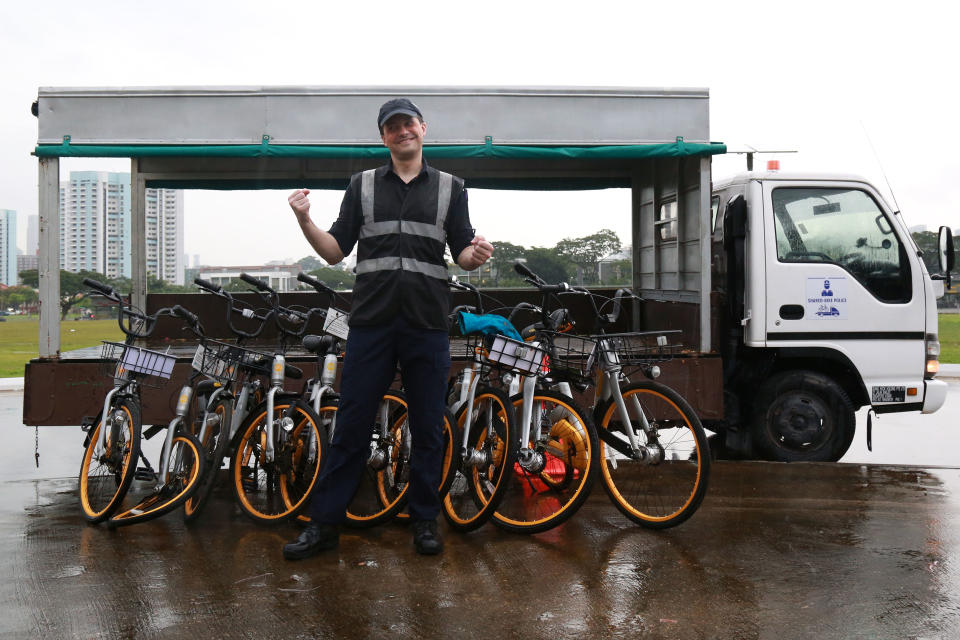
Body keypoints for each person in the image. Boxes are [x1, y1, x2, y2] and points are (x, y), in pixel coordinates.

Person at [282, 98, 493, 559]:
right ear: (383, 137)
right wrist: (304, 219)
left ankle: (424, 520)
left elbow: (461, 251)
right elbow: (335, 251)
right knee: (352, 424)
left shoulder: (451, 188)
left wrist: (473, 258)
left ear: (423, 128)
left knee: (428, 427)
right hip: (372, 323)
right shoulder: (360, 186)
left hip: (427, 323)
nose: (402, 132)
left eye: (408, 124)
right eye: (392, 127)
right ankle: (325, 525)